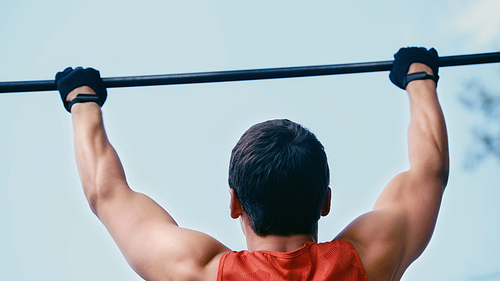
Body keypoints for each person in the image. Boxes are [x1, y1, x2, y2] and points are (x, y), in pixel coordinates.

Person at [56, 47, 448, 281]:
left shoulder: (197, 270)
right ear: (325, 201)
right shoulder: (366, 261)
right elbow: (429, 172)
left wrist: (82, 102)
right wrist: (419, 77)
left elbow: (106, 194)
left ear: (234, 203)